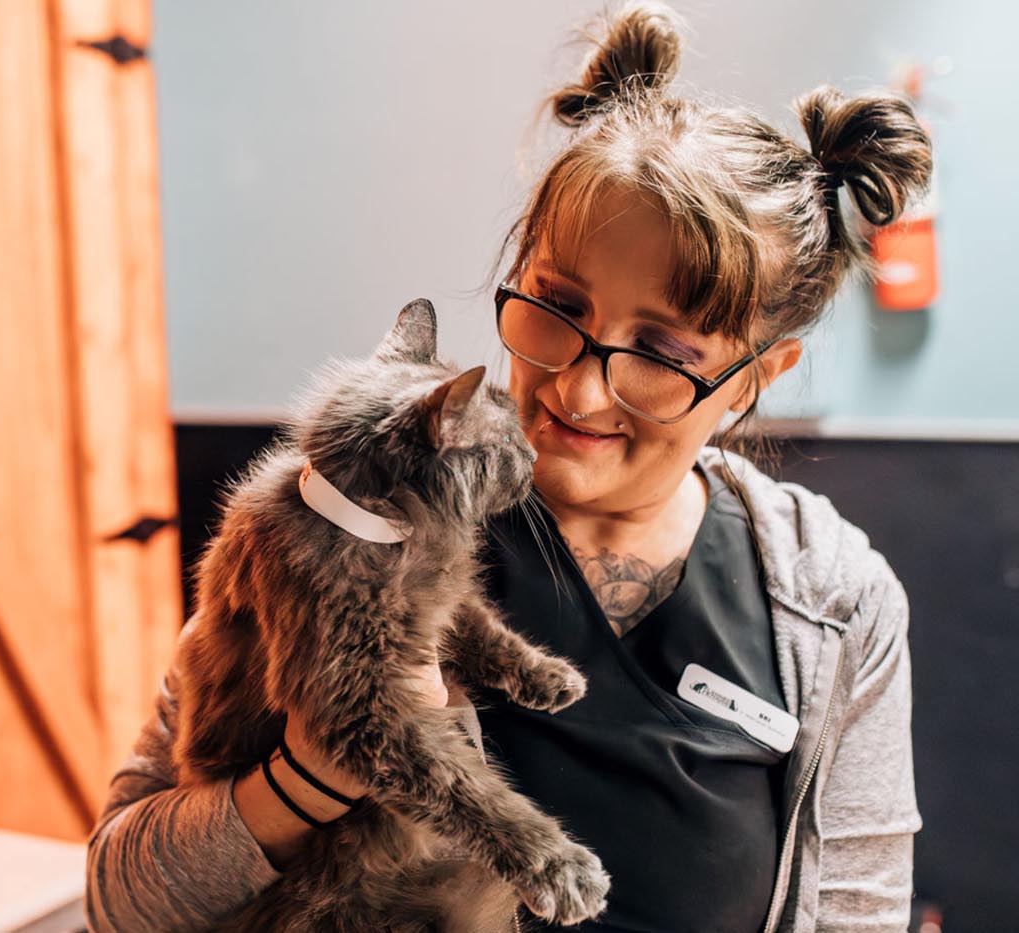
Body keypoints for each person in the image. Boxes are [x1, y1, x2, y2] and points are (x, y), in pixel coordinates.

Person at [83, 3, 931, 931]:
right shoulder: (353, 516)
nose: (578, 389)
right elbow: (120, 896)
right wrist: (303, 779)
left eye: (660, 350)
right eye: (557, 304)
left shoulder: (833, 603)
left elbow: (857, 912)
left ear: (753, 379)